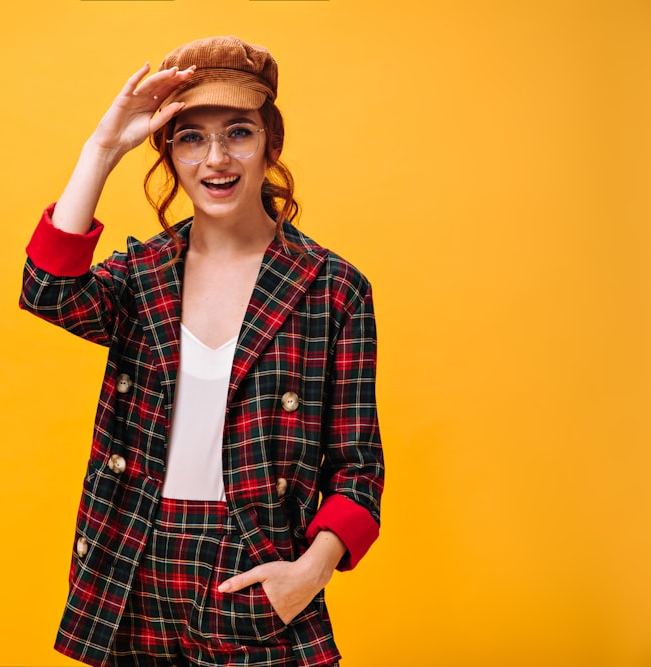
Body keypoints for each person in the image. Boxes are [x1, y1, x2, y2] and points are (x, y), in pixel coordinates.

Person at [19, 36, 384, 667]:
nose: (216, 159)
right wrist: (102, 150)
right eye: (191, 137)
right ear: (170, 154)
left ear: (271, 143)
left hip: (255, 559)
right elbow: (48, 290)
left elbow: (358, 467)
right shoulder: (143, 275)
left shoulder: (332, 287)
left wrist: (309, 575)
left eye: (238, 132)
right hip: (135, 560)